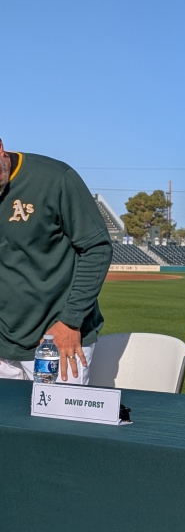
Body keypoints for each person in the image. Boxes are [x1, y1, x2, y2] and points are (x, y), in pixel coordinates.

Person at [0, 139, 112, 384]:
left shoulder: (55, 178)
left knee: (57, 422)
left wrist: (70, 321)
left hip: (55, 340)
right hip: (3, 342)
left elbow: (97, 248)